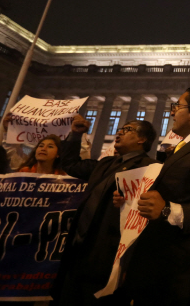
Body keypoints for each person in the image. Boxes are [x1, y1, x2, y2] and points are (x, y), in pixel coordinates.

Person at [113, 86, 190, 306]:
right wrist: (133, 200)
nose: (172, 112)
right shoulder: (183, 148)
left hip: (176, 276)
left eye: (177, 106)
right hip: (155, 268)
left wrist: (167, 210)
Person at [51, 116, 157, 306]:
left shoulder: (149, 168)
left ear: (142, 139)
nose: (120, 132)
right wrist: (76, 135)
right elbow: (71, 165)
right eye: (121, 129)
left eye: (128, 130)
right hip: (79, 252)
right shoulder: (105, 163)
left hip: (107, 257)